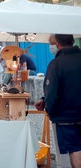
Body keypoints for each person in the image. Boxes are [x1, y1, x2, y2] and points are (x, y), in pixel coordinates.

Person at [35, 34, 81, 168]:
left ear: (56, 44)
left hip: (65, 119)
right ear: (73, 41)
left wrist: (50, 109)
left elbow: (52, 93)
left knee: (72, 153)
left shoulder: (56, 64)